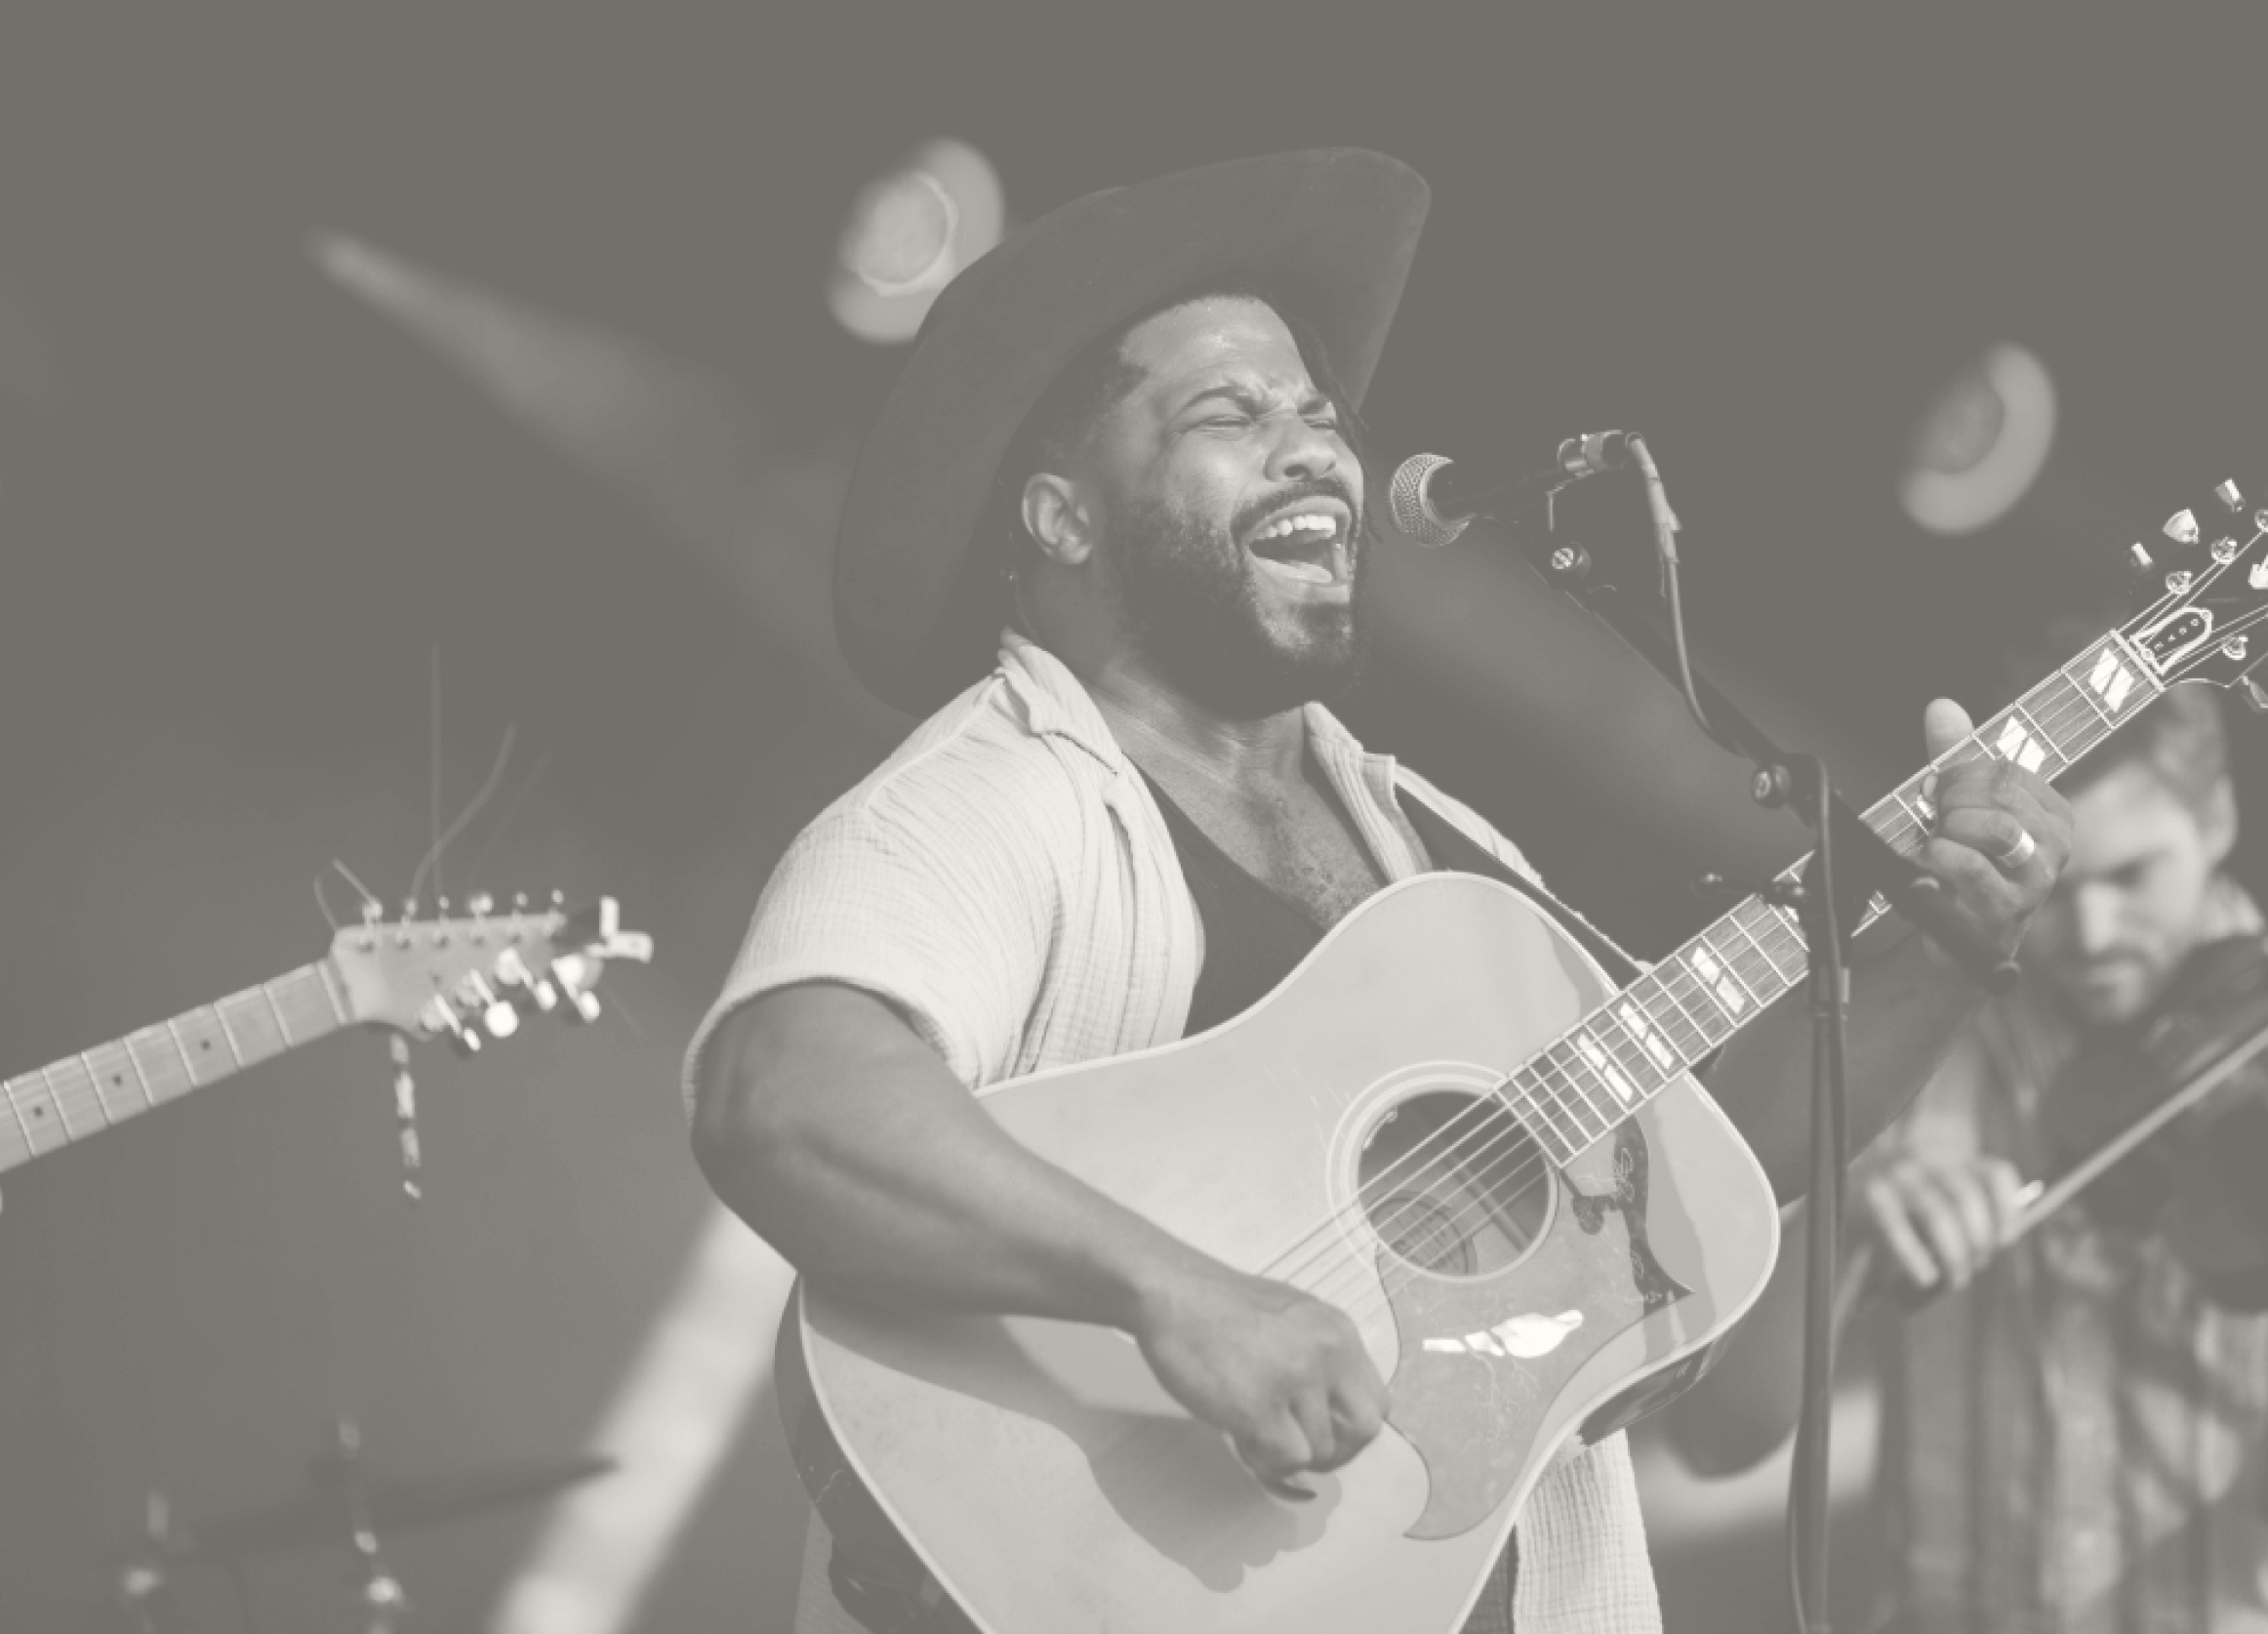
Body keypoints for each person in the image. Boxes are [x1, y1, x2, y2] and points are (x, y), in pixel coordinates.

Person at [684, 149, 2072, 1634]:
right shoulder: (987, 800)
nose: (1313, 450)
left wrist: (1938, 950)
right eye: (1229, 413)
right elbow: (785, 1101)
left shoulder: (1445, 849)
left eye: (1318, 415)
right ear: (1060, 519)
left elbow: (1720, 1153)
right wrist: (1179, 1292)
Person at [1668, 681, 2268, 1632]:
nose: (2093, 936)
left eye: (2134, 877)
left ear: (2218, 817)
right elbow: (1711, 1437)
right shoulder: (1907, 1045)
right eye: (2063, 892)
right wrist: (1849, 1219)